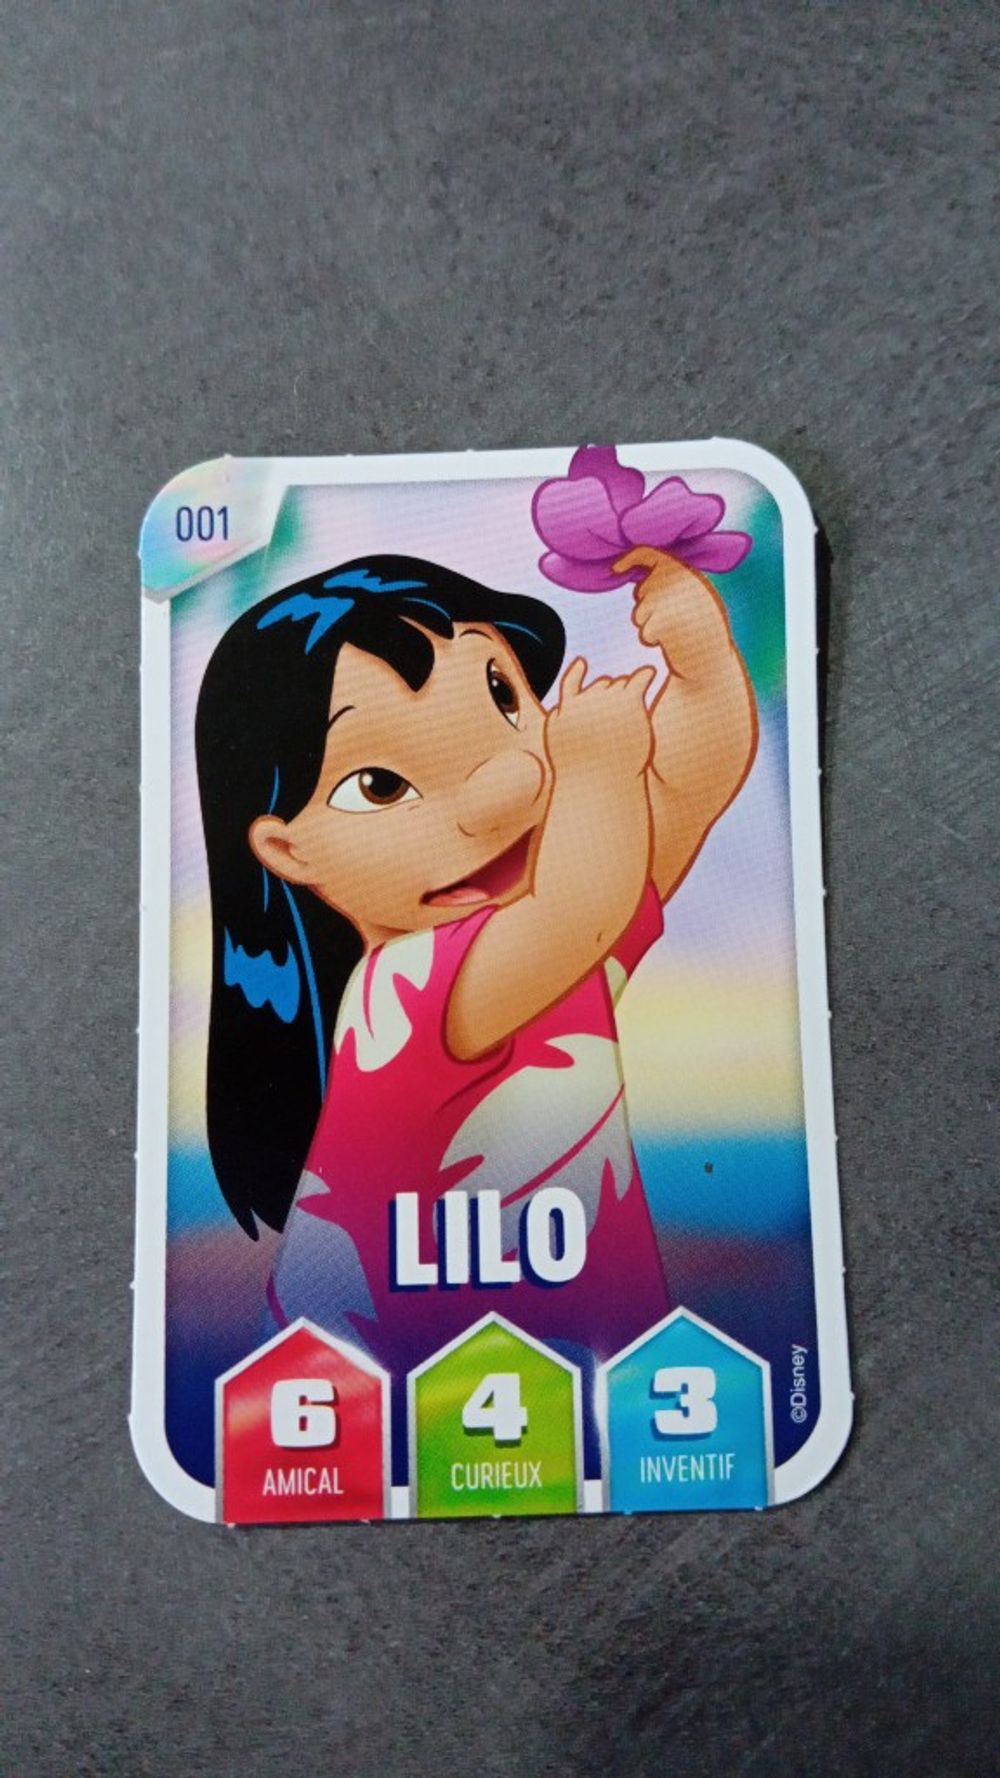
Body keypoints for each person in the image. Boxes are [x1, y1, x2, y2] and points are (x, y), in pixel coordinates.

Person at [196, 545, 757, 1470]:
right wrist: (596, 769)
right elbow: (580, 905)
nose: (505, 789)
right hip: (379, 1403)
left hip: (576, 1377)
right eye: (381, 786)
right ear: (289, 852)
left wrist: (700, 664)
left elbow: (686, 793)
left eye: (504, 698)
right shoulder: (402, 988)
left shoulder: (553, 932)